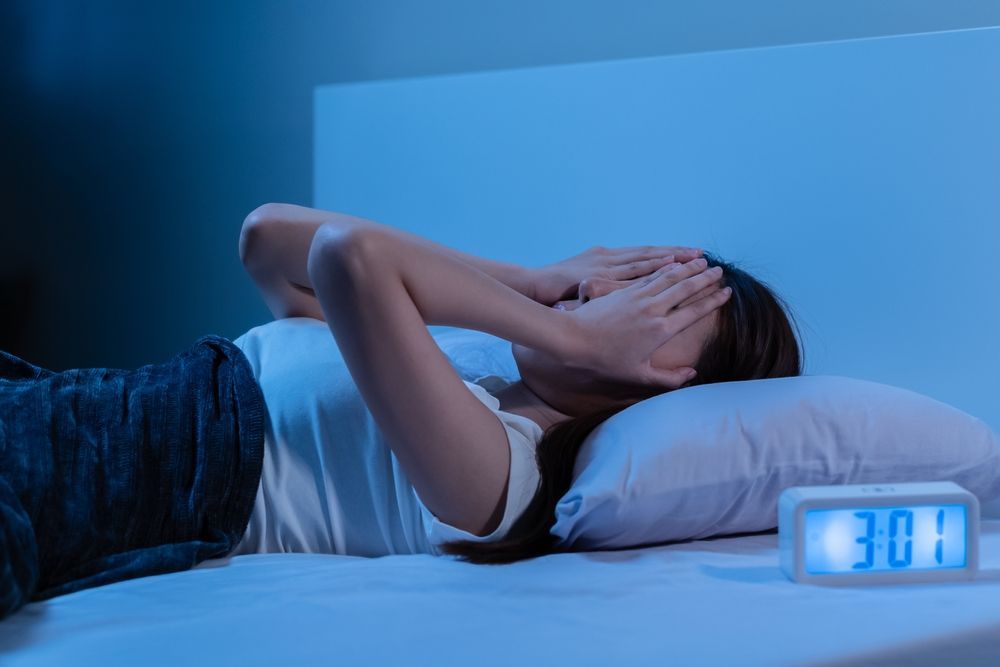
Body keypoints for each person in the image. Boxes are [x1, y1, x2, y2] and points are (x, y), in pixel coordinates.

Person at [0, 202, 802, 620]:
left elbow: (352, 256)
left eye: (645, 309)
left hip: (119, 478)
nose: (594, 291)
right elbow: (266, 239)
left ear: (671, 384)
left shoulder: (505, 476)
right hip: (59, 403)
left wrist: (565, 332)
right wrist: (529, 281)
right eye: (624, 277)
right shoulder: (470, 365)